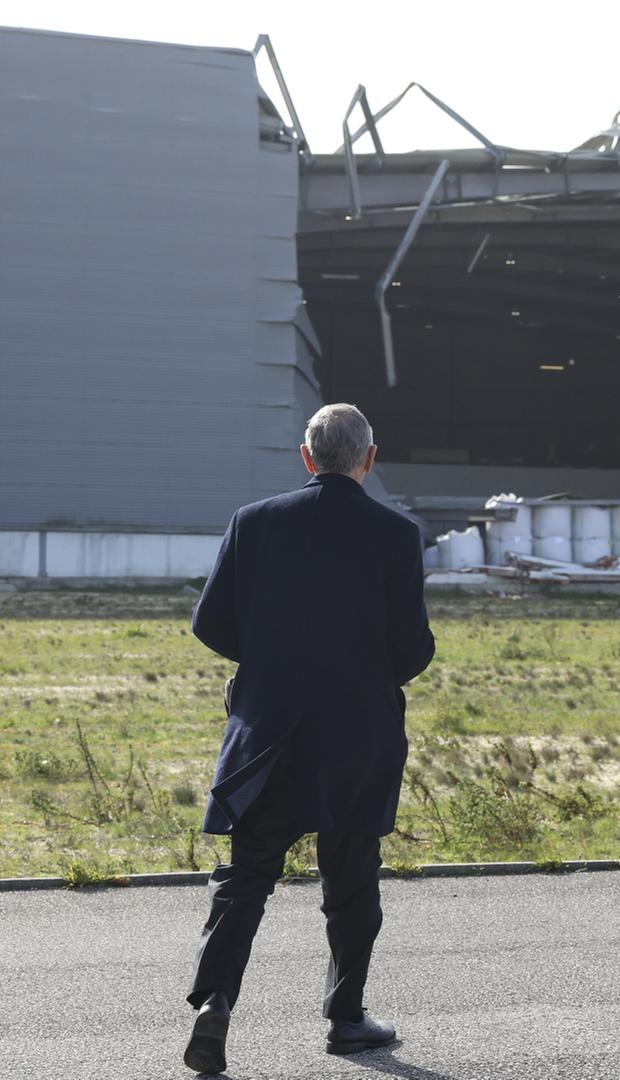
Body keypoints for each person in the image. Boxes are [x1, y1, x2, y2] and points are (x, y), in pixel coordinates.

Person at [182, 404, 435, 1075]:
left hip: (268, 734)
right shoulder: (396, 534)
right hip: (356, 739)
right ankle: (346, 1020)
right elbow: (411, 652)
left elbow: (211, 626)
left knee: (244, 879)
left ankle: (215, 1003)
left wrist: (270, 662)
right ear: (368, 459)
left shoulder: (253, 522)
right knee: (352, 882)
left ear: (306, 455)